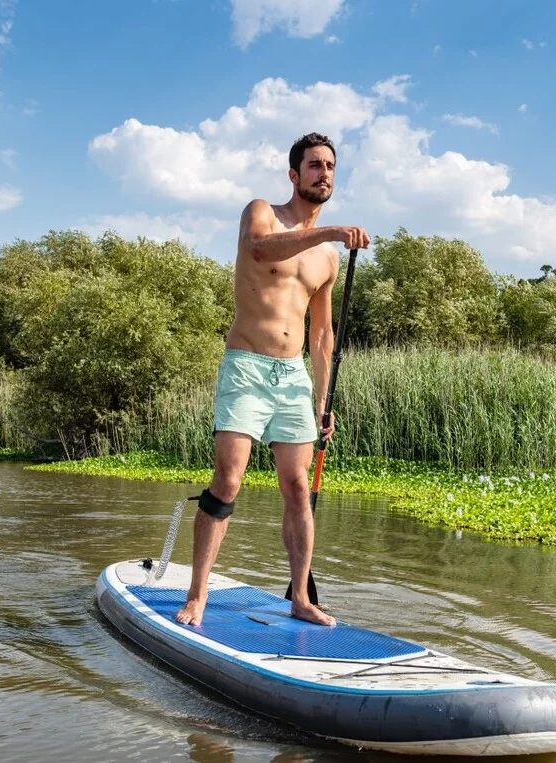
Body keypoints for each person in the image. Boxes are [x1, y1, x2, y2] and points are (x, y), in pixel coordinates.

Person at [174, 132, 370, 627]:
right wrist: (328, 233)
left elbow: (322, 336)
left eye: (329, 166)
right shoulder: (262, 212)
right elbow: (259, 249)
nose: (323, 173)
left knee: (297, 488)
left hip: (292, 376)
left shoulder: (326, 260)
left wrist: (322, 402)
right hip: (247, 364)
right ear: (294, 174)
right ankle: (197, 597)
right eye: (313, 165)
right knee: (229, 480)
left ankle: (301, 597)